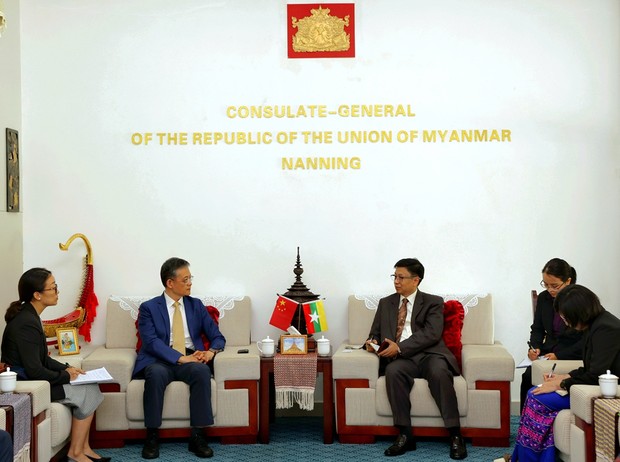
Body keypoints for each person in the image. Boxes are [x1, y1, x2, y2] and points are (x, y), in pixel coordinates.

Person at [0, 268, 110, 462]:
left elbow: (42, 359)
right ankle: (75, 453)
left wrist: (67, 368)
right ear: (37, 295)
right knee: (88, 391)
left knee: (90, 385)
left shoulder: (30, 315)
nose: (57, 291)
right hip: (29, 384)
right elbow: (34, 370)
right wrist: (66, 376)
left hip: (34, 378)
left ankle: (83, 448)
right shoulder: (26, 323)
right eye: (53, 288)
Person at [365, 258, 467, 460]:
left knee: (439, 372)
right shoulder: (386, 303)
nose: (396, 281)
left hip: (430, 355)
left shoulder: (433, 302)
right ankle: (405, 435)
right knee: (393, 371)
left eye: (401, 277)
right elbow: (375, 332)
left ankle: (455, 434)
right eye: (394, 276)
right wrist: (372, 342)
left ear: (416, 280)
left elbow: (432, 333)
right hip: (402, 359)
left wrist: (399, 347)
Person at [510, 284, 620, 462]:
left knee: (537, 397)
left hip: (604, 392)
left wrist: (560, 384)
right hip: (591, 384)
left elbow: (596, 375)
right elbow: (589, 368)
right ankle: (524, 458)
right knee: (533, 393)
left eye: (564, 316)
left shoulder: (607, 329)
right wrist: (563, 376)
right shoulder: (594, 325)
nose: (564, 321)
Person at [133, 257, 226, 459]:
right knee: (155, 374)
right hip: (159, 359)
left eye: (190, 278)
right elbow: (151, 342)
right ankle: (152, 436)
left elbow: (217, 337)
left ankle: (198, 436)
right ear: (170, 282)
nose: (190, 283)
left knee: (201, 371)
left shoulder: (196, 305)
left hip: (190, 358)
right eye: (185, 279)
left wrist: (211, 352)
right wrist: (180, 358)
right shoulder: (149, 308)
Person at [520, 258, 583, 413]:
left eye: (554, 286)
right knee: (527, 376)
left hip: (571, 354)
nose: (550, 290)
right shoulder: (544, 298)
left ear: (567, 281)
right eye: (546, 284)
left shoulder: (579, 301)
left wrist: (559, 355)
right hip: (547, 353)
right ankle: (525, 418)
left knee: (535, 374)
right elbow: (537, 329)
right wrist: (535, 347)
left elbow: (585, 340)